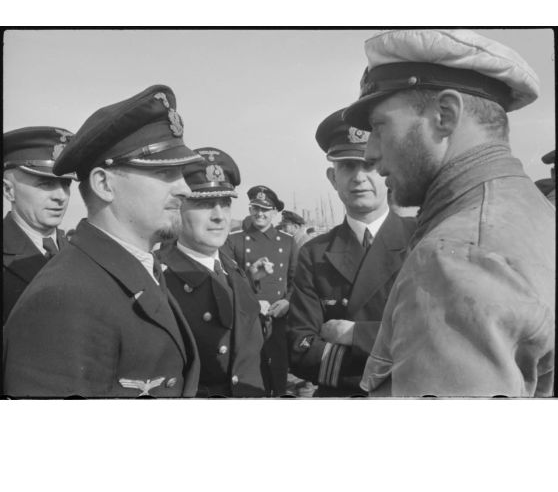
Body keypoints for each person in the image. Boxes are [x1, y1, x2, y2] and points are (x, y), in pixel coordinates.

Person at [342, 29, 555, 397]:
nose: (370, 154)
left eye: (380, 127)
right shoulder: (533, 213)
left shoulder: (456, 257)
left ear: (445, 115)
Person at [3, 85, 202, 397]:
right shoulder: (63, 298)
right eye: (165, 172)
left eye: (182, 173)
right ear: (103, 184)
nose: (185, 189)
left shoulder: (132, 267)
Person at [286, 110, 416, 396]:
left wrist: (354, 334)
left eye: (369, 164)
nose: (358, 177)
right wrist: (393, 355)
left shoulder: (421, 238)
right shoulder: (315, 254)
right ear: (333, 178)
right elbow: (300, 350)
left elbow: (434, 337)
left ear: (388, 172)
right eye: (347, 166)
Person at [157, 147, 266, 397]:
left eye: (225, 203)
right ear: (178, 208)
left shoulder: (231, 268)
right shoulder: (158, 276)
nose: (219, 217)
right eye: (205, 204)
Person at [224, 185, 296, 396]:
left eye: (265, 209)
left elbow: (297, 280)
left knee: (279, 368)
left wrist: (287, 302)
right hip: (247, 318)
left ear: (274, 212)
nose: (260, 213)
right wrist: (252, 298)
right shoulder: (234, 240)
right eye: (255, 208)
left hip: (278, 316)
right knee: (252, 369)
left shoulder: (288, 241)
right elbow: (228, 280)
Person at [3, 127, 75, 324]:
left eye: (66, 184)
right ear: (8, 190)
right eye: (46, 183)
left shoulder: (81, 251)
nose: (60, 196)